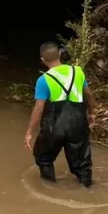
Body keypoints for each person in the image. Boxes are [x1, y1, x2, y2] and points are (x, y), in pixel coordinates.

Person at [24, 41, 95, 187]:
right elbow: (90, 96)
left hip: (54, 127)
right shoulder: (78, 72)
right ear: (60, 54)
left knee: (44, 158)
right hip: (78, 125)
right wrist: (90, 115)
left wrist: (29, 133)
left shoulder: (43, 80)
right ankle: (88, 189)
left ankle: (49, 188)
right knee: (82, 164)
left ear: (43, 60)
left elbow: (39, 109)